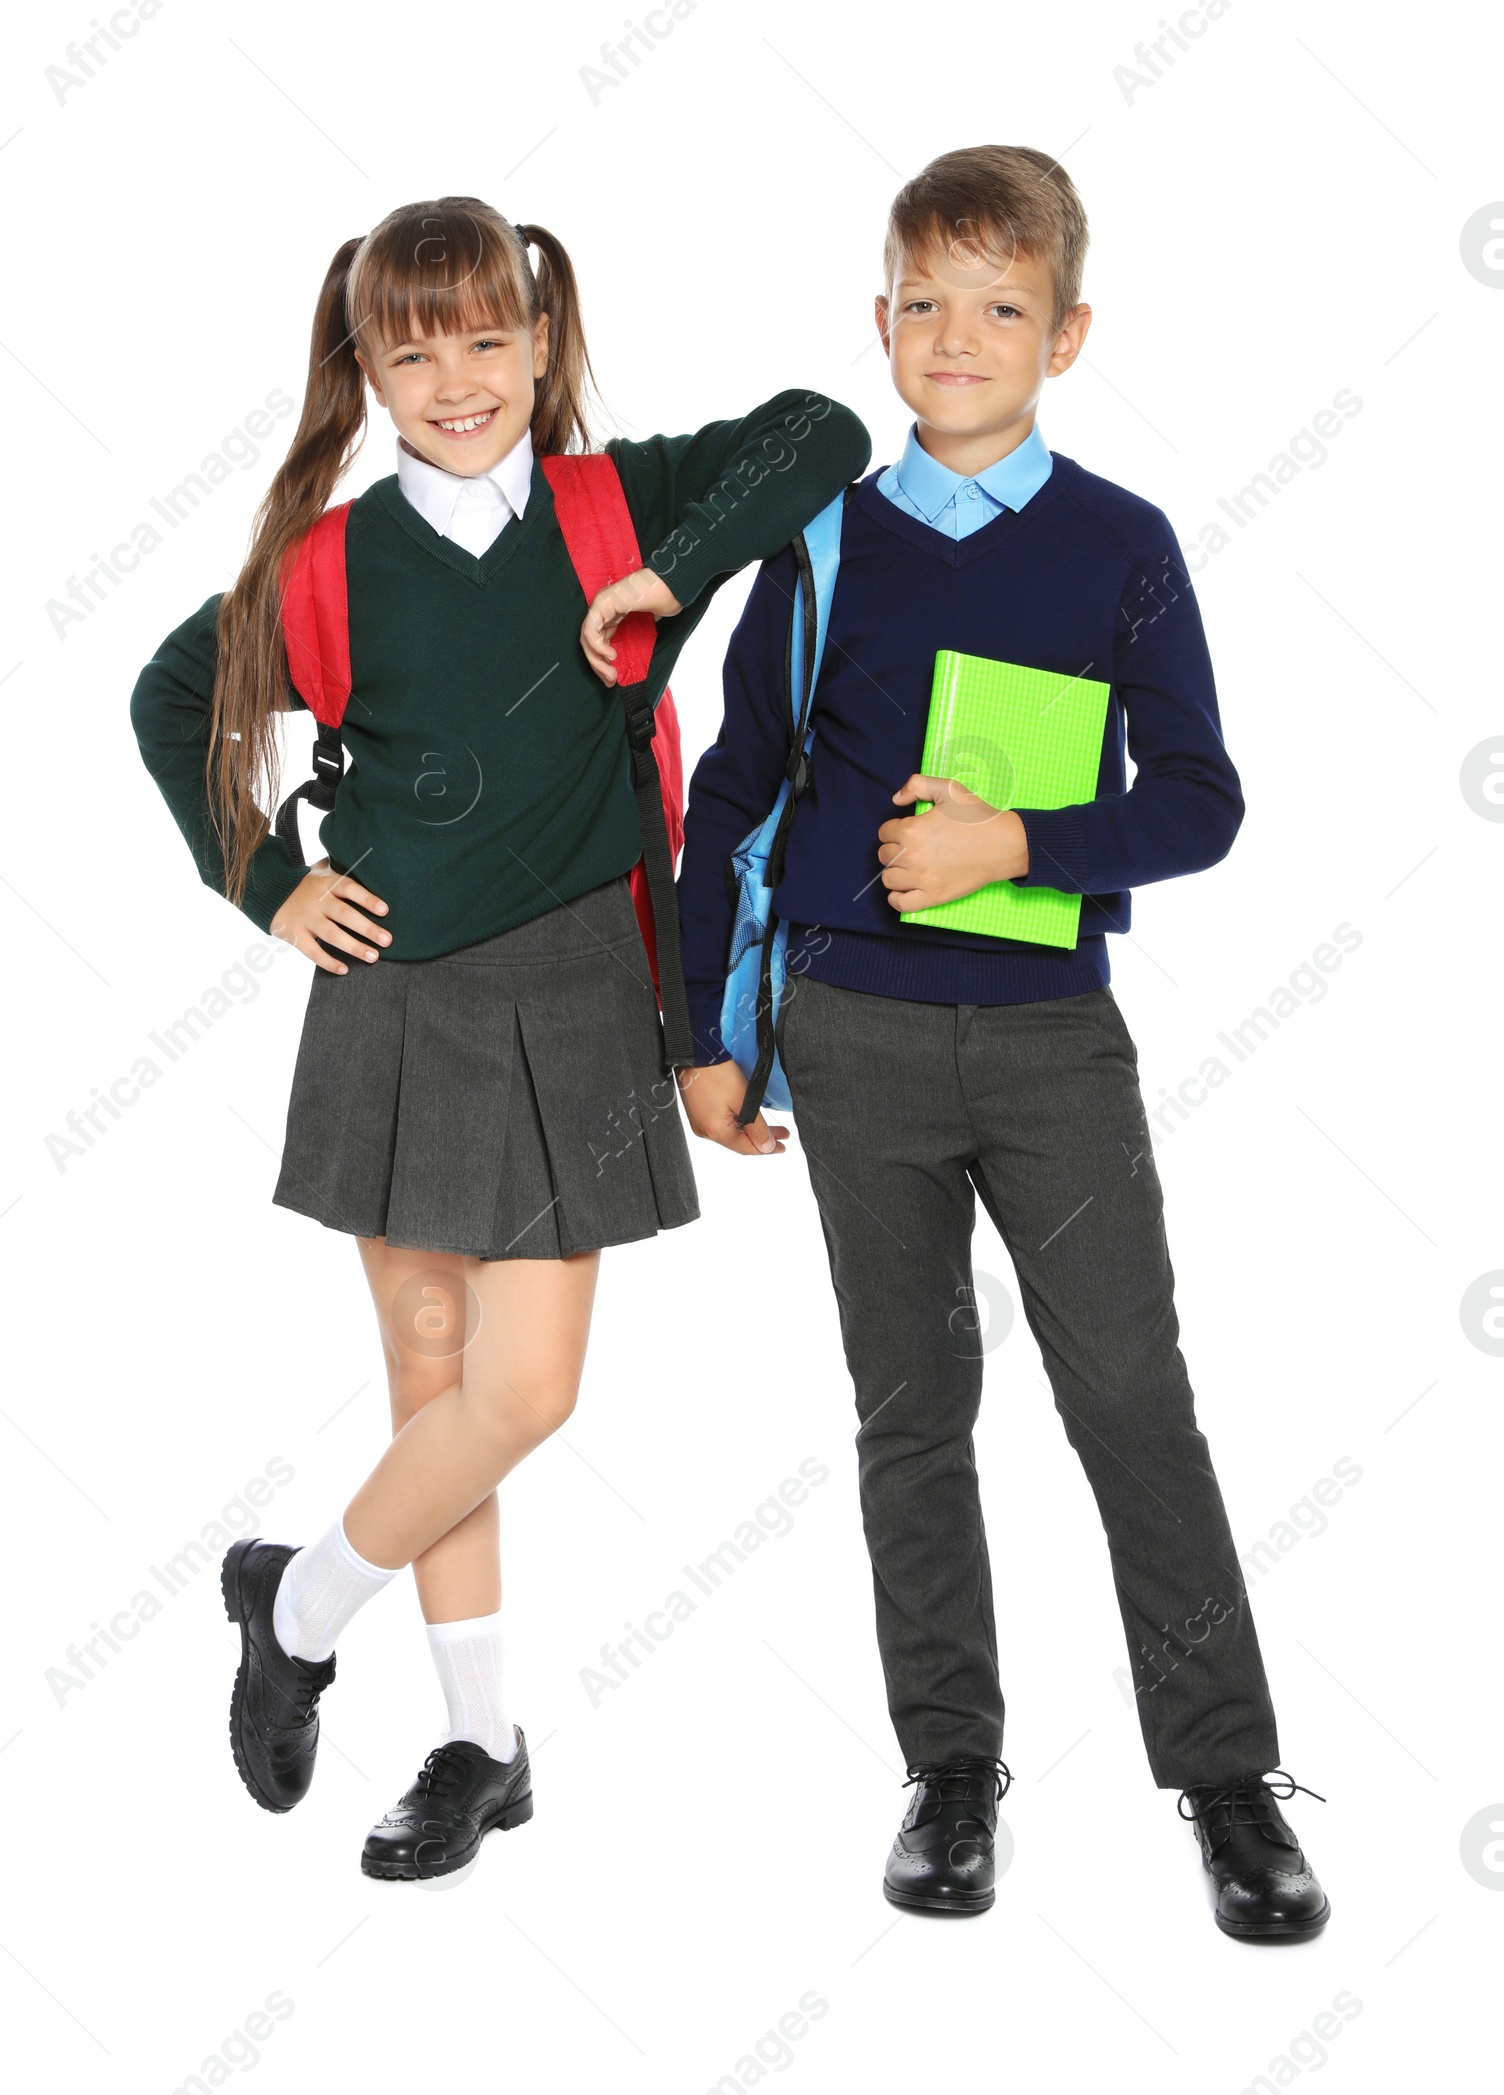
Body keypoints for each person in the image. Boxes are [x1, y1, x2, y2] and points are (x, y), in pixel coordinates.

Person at [129, 195, 869, 1882]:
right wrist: (267, 882)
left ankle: (296, 1605)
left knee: (524, 1391)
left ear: (542, 343)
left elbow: (823, 433)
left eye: (488, 338)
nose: (456, 379)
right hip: (396, 998)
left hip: (583, 988)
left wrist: (669, 571)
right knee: (438, 1390)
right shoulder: (327, 562)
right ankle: (477, 1744)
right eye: (414, 348)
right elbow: (175, 702)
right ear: (368, 373)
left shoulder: (622, 500)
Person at [675, 146, 1328, 1939]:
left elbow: (1202, 801)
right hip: (858, 1038)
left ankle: (1226, 1781)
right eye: (925, 300)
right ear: (878, 315)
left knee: (1134, 1401)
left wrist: (1014, 845)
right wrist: (703, 1031)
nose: (959, 336)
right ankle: (950, 1771)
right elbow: (736, 792)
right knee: (912, 1413)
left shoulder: (1122, 544)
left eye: (1003, 306)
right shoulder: (817, 545)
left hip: (1051, 1042)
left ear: (1069, 330)